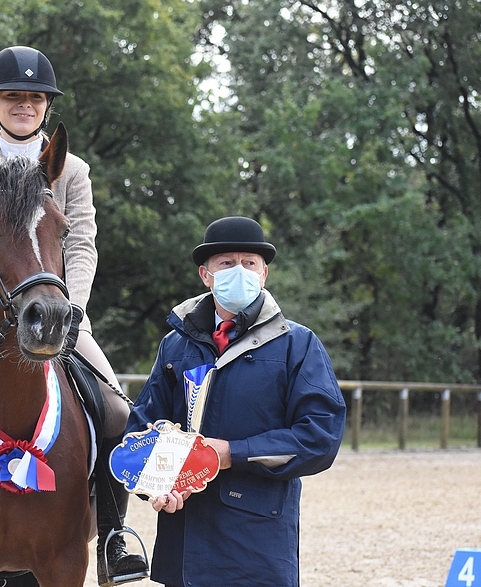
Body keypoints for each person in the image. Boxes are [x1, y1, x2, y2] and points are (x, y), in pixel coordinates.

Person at [0, 46, 146, 586]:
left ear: (46, 106)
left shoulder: (71, 170)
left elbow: (81, 244)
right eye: (13, 97)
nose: (24, 105)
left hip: (55, 305)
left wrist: (71, 308)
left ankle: (113, 532)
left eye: (34, 98)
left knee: (117, 409)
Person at [126, 216, 347, 587]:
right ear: (205, 274)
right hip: (183, 546)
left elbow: (320, 438)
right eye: (226, 263)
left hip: (257, 547)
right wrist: (156, 485)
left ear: (263, 275)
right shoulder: (174, 345)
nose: (238, 271)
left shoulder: (298, 344)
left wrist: (231, 452)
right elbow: (142, 429)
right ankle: (112, 538)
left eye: (249, 263)